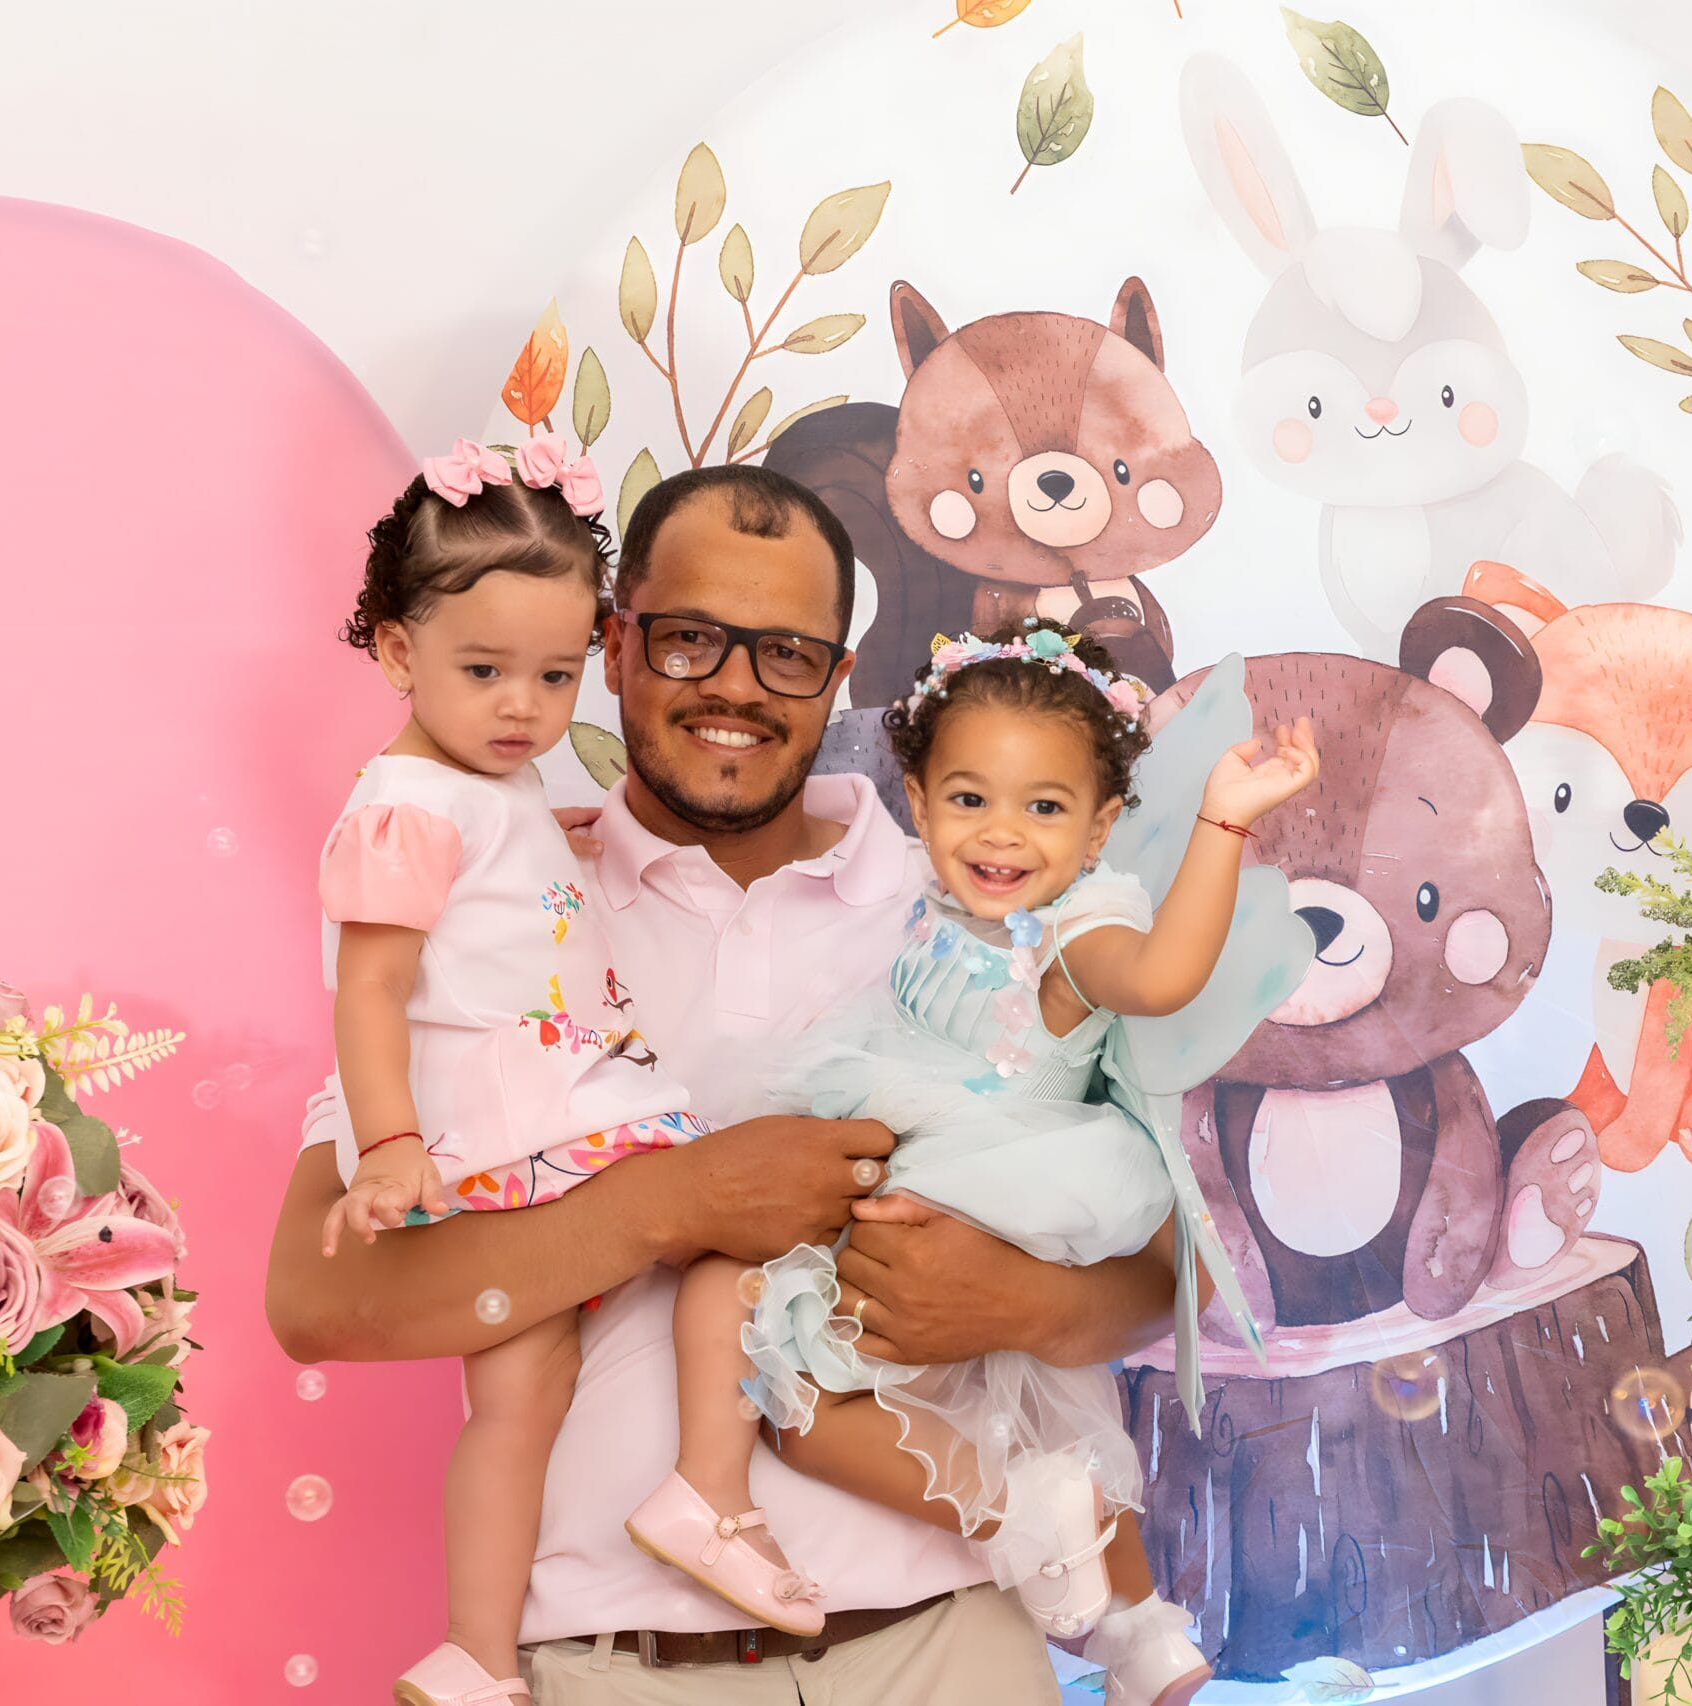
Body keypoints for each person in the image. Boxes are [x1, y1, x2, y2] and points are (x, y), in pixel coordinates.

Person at [266, 464, 1201, 1705]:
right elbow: (317, 1301)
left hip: (949, 1637)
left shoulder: (981, 896)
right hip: (617, 1666)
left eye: (787, 653)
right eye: (689, 637)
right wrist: (673, 1203)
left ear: (840, 672)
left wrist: (1021, 1299)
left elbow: (1166, 1276)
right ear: (612, 643)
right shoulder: (499, 900)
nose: (737, 685)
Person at [625, 617, 1316, 1706]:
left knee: (790, 1388)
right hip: (932, 1162)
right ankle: (1141, 1633)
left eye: (1044, 808)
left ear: (1100, 827)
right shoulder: (941, 905)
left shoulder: (1078, 934)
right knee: (1048, 1411)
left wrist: (1223, 821)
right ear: (916, 799)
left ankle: (744, 1495)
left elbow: (1163, 977)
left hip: (977, 1178)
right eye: (968, 798)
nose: (1002, 834)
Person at [307, 435, 736, 1706]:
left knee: (523, 1394)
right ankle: (706, 1493)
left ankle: (479, 1651)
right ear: (397, 651)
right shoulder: (405, 805)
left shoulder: (479, 785)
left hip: (538, 1110)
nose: (523, 707)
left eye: (555, 675)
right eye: (484, 670)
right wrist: (390, 1144)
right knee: (724, 1235)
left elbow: (482, 878)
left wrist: (545, 831)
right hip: (512, 1121)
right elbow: (370, 985)